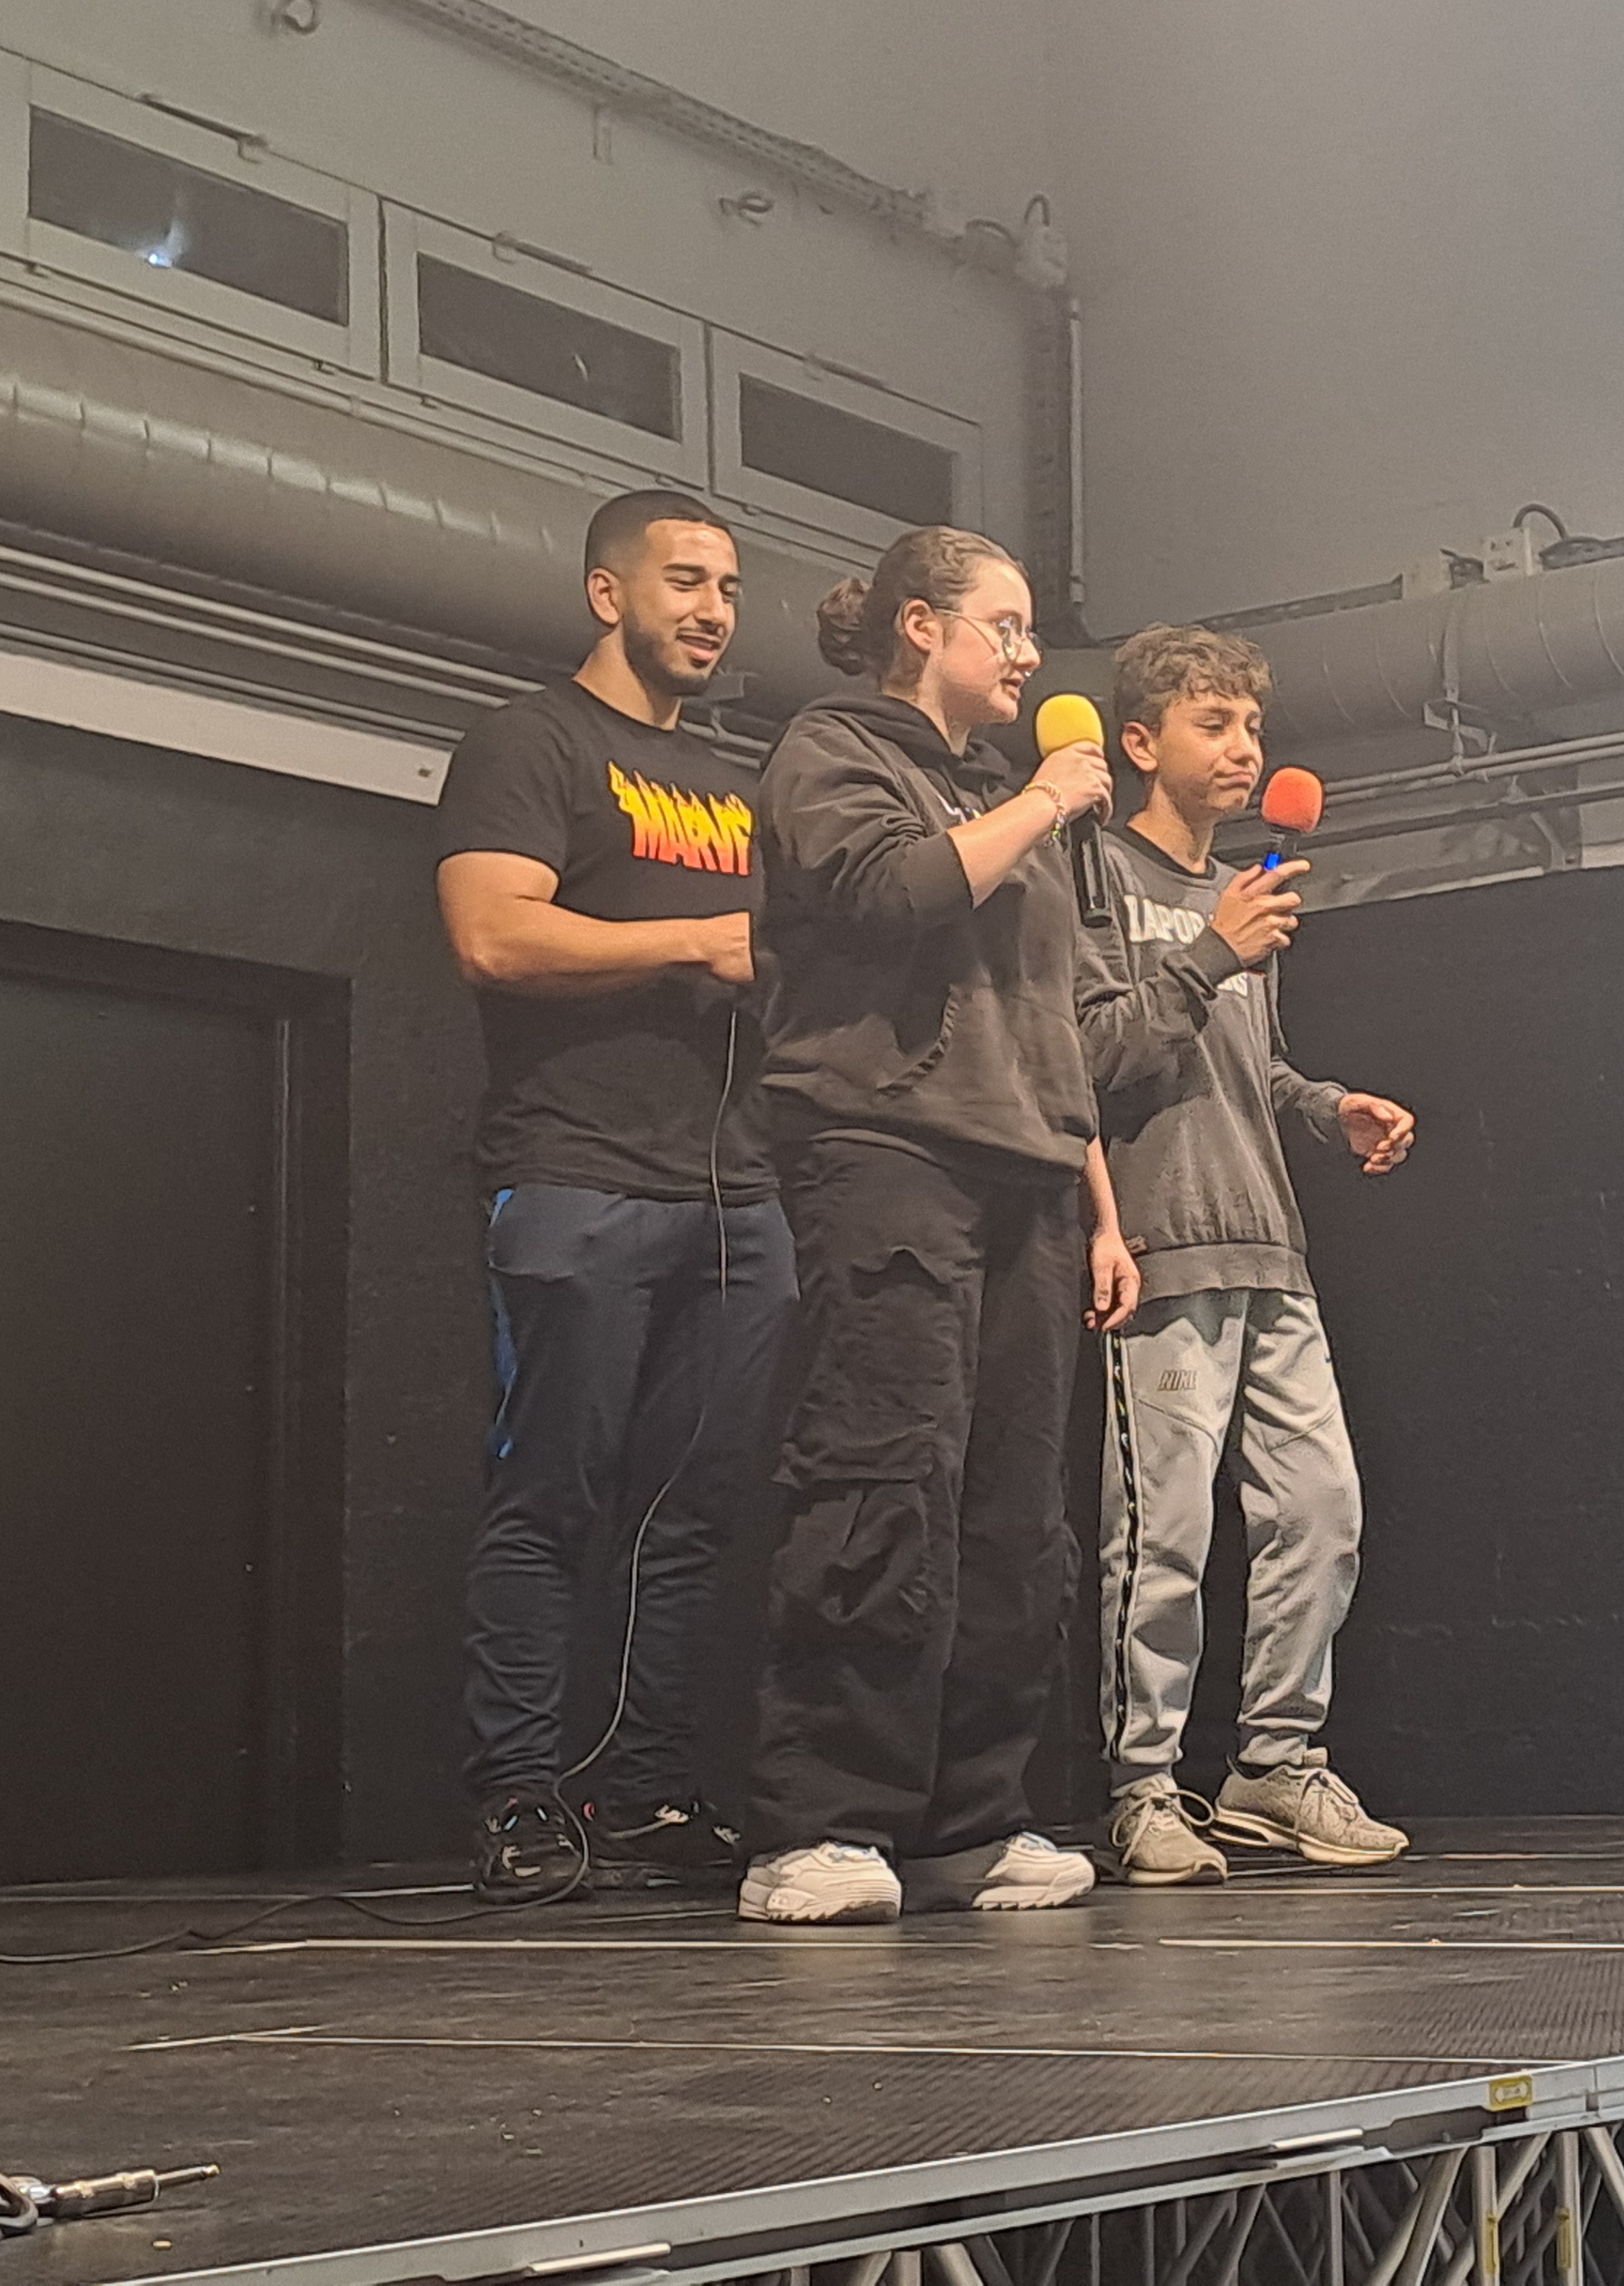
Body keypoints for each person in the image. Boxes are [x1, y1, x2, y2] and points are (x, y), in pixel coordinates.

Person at [740, 526, 1141, 1926]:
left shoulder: (1011, 799)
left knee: (1015, 1516)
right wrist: (1040, 802)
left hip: (1027, 1169)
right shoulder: (835, 749)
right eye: (1005, 626)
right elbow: (886, 892)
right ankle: (823, 1822)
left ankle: (971, 1819)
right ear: (922, 625)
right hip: (887, 1151)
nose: (1029, 655)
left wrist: (1096, 1189)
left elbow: (1081, 1026)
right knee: (881, 1481)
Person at [432, 489, 796, 1903]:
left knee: (693, 1509)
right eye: (685, 581)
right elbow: (491, 934)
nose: (713, 611)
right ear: (606, 592)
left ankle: (642, 1791)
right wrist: (697, 938)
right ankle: (521, 1796)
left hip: (734, 1192)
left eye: (730, 589)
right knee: (552, 1497)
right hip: (574, 1174)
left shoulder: (733, 786)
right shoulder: (531, 742)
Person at [1075, 625, 1417, 1884]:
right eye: (1212, 725)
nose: (1244, 749)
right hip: (1161, 1250)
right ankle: (1141, 1788)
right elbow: (1088, 1056)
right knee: (1161, 1536)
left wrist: (1329, 1110)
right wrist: (1212, 950)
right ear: (1140, 742)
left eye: (1252, 728)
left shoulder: (1242, 887)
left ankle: (1274, 1764)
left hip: (1273, 1249)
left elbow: (1250, 1071)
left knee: (1322, 1512)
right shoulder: (1095, 876)